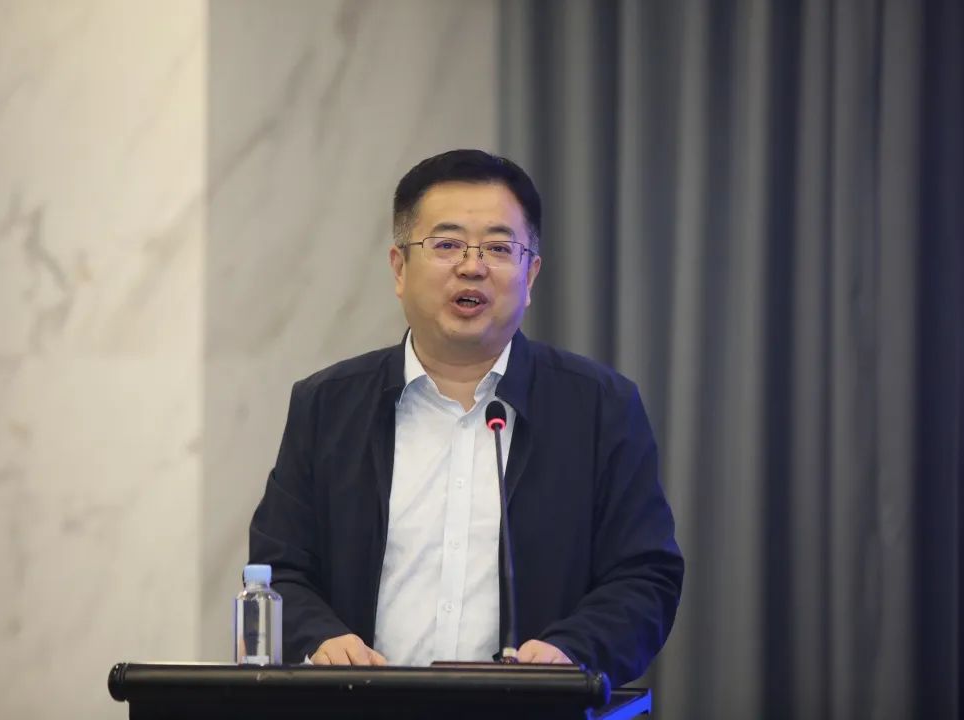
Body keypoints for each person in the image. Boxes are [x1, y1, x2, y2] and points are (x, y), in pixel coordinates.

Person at [248, 149, 683, 685]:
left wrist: (572, 652)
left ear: (531, 274)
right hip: (360, 705)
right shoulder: (327, 405)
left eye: (499, 248)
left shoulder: (600, 406)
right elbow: (279, 570)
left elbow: (644, 576)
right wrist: (319, 640)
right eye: (446, 244)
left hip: (532, 711)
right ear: (399, 268)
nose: (472, 266)